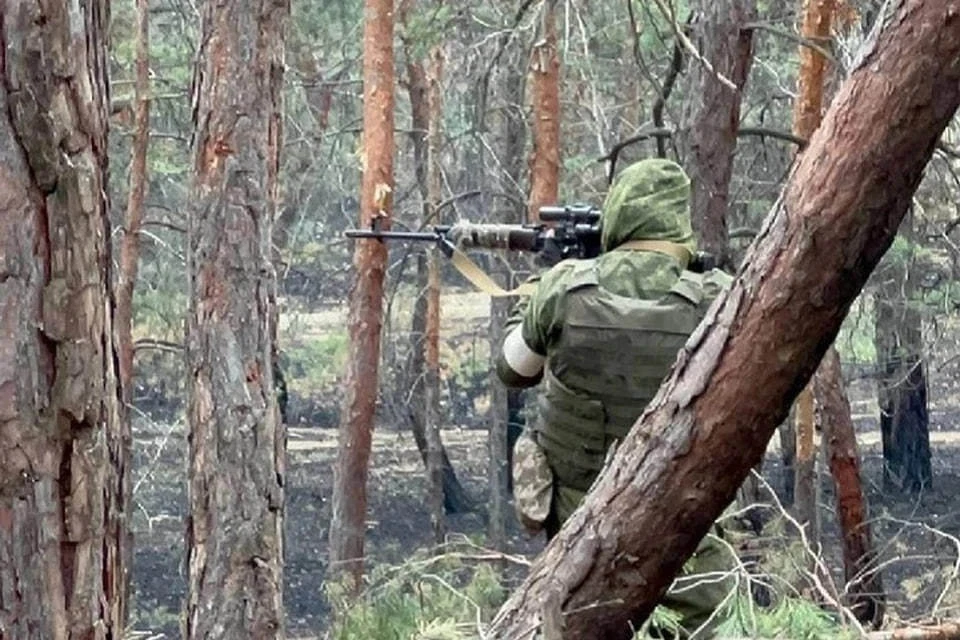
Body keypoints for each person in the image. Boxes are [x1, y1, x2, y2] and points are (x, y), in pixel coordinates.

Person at [496, 158, 737, 639]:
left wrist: (538, 295)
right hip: (689, 534)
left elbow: (514, 369)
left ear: (619, 213)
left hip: (581, 542)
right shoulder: (719, 296)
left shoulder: (564, 289)